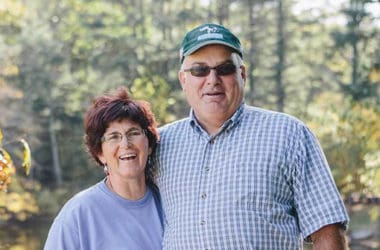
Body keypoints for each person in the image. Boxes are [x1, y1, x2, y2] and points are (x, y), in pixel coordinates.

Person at [156, 23, 349, 249]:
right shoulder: (159, 144)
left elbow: (327, 231)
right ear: (183, 80)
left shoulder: (289, 134)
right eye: (200, 70)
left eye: (225, 68)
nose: (212, 79)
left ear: (242, 74)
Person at [44, 87, 163, 250]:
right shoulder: (78, 215)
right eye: (114, 137)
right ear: (100, 153)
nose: (125, 144)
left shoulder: (167, 202)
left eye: (133, 133)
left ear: (149, 144)